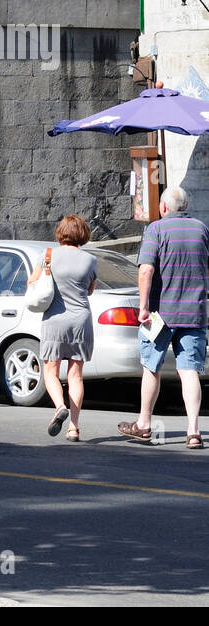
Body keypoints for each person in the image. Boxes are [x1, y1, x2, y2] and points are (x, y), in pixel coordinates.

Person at [118, 186, 207, 449]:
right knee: (189, 370)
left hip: (160, 314)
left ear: (164, 207)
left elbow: (146, 270)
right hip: (194, 313)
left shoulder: (156, 230)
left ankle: (144, 424)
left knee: (151, 367)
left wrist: (143, 307)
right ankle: (193, 431)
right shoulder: (202, 229)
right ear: (186, 205)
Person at [28, 215, 97, 442]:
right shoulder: (90, 260)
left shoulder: (47, 256)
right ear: (83, 234)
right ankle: (74, 428)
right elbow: (89, 291)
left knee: (50, 372)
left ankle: (59, 406)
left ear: (60, 232)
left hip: (54, 320)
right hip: (80, 320)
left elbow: (32, 282)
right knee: (76, 376)